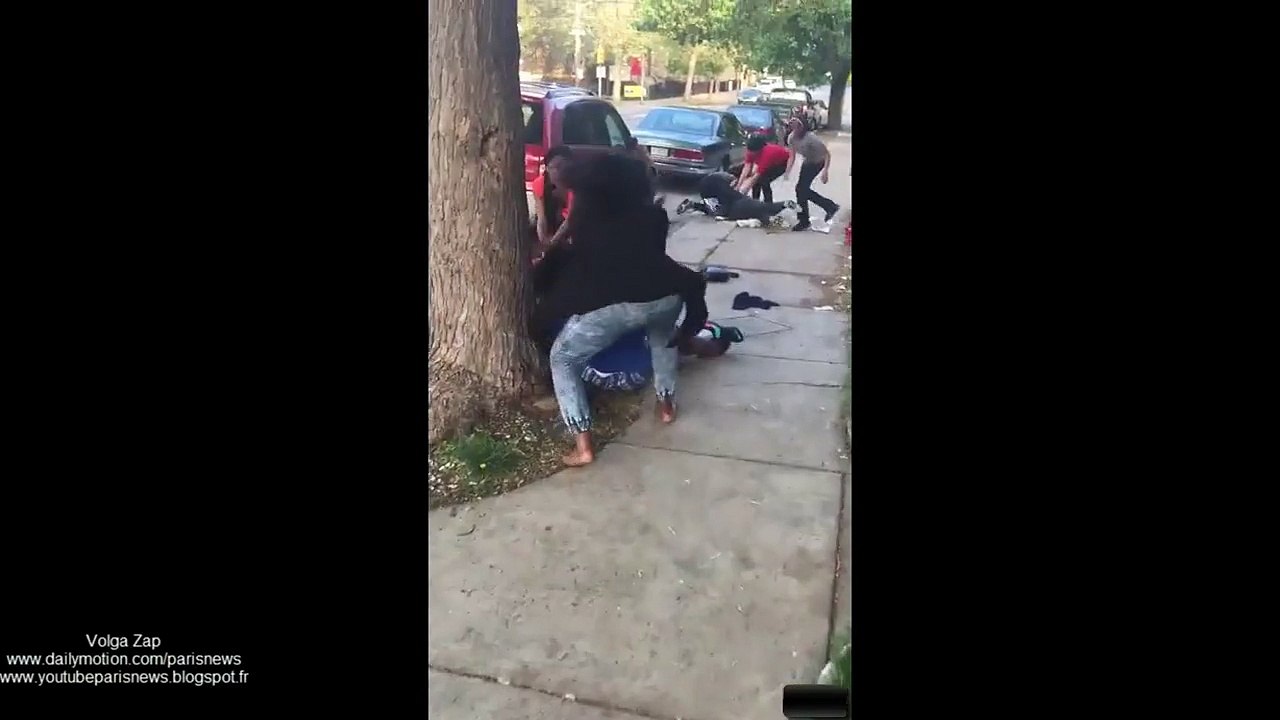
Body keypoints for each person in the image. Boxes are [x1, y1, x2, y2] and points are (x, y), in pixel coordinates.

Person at [531, 152, 709, 467]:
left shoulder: (588, 219)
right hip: (668, 295)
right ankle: (667, 406)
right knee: (662, 341)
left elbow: (576, 266)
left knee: (563, 358)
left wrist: (540, 279)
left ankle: (583, 445)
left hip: (622, 304)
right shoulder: (655, 216)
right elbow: (648, 257)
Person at [783, 117, 840, 232]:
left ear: (802, 127)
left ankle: (805, 221)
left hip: (818, 162)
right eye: (791, 126)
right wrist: (787, 171)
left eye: (796, 126)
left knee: (801, 189)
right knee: (801, 190)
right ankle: (829, 207)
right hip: (808, 162)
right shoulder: (791, 138)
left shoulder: (811, 138)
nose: (793, 129)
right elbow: (792, 156)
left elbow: (827, 154)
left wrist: (825, 171)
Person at [675, 171, 795, 222]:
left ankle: (693, 205)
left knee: (717, 209)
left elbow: (730, 196)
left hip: (710, 185)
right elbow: (727, 199)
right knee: (716, 211)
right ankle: (694, 205)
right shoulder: (727, 188)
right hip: (711, 190)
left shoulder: (727, 183)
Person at [532, 145, 576, 249]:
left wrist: (553, 242)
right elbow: (541, 218)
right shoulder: (540, 183)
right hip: (552, 223)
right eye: (554, 167)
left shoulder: (575, 187)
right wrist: (543, 239)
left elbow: (570, 220)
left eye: (563, 166)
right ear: (547, 168)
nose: (558, 171)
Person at [736, 136, 791, 204]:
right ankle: (755, 202)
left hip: (783, 163)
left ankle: (768, 205)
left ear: (759, 150)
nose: (751, 154)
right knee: (756, 183)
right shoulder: (750, 150)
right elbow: (746, 169)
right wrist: (738, 187)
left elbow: (755, 177)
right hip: (771, 162)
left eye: (753, 152)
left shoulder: (767, 154)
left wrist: (743, 192)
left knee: (764, 181)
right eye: (750, 151)